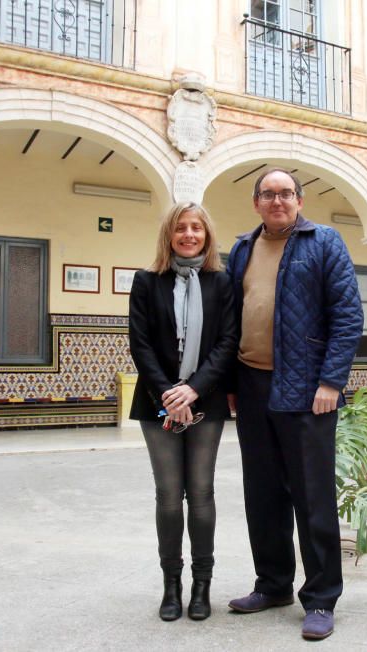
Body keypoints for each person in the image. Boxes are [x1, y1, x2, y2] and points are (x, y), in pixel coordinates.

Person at [225, 168, 363, 640]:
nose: (278, 200)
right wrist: (229, 382)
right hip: (251, 385)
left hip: (308, 390)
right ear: (256, 202)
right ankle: (273, 584)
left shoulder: (324, 241)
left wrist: (331, 381)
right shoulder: (242, 248)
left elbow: (347, 316)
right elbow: (230, 318)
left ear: (300, 201)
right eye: (269, 194)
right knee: (262, 493)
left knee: (312, 496)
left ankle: (321, 598)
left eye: (286, 193)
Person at [128, 201, 237, 622]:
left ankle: (202, 586)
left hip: (204, 401)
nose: (189, 235)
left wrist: (192, 390)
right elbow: (140, 344)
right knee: (169, 496)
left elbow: (228, 342)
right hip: (158, 404)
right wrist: (169, 395)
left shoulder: (220, 283)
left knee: (202, 493)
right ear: (169, 235)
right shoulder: (146, 281)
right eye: (180, 229)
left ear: (207, 236)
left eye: (197, 228)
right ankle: (171, 585)